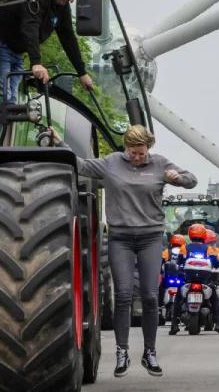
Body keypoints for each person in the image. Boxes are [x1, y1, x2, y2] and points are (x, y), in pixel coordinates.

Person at [76, 125, 197, 378]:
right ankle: (122, 352)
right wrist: (58, 144)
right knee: (122, 294)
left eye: (141, 153)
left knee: (151, 296)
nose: (137, 157)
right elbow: (81, 165)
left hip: (150, 237)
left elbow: (191, 179)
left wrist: (177, 178)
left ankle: (150, 352)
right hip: (120, 238)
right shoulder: (111, 163)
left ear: (148, 149)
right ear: (126, 147)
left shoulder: (160, 164)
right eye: (133, 152)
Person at [0, 0, 94, 102]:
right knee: (2, 98)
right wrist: (36, 63)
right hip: (1, 45)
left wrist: (82, 73)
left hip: (17, 52)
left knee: (12, 100)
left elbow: (68, 37)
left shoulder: (61, 7)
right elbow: (30, 27)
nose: (71, 1)